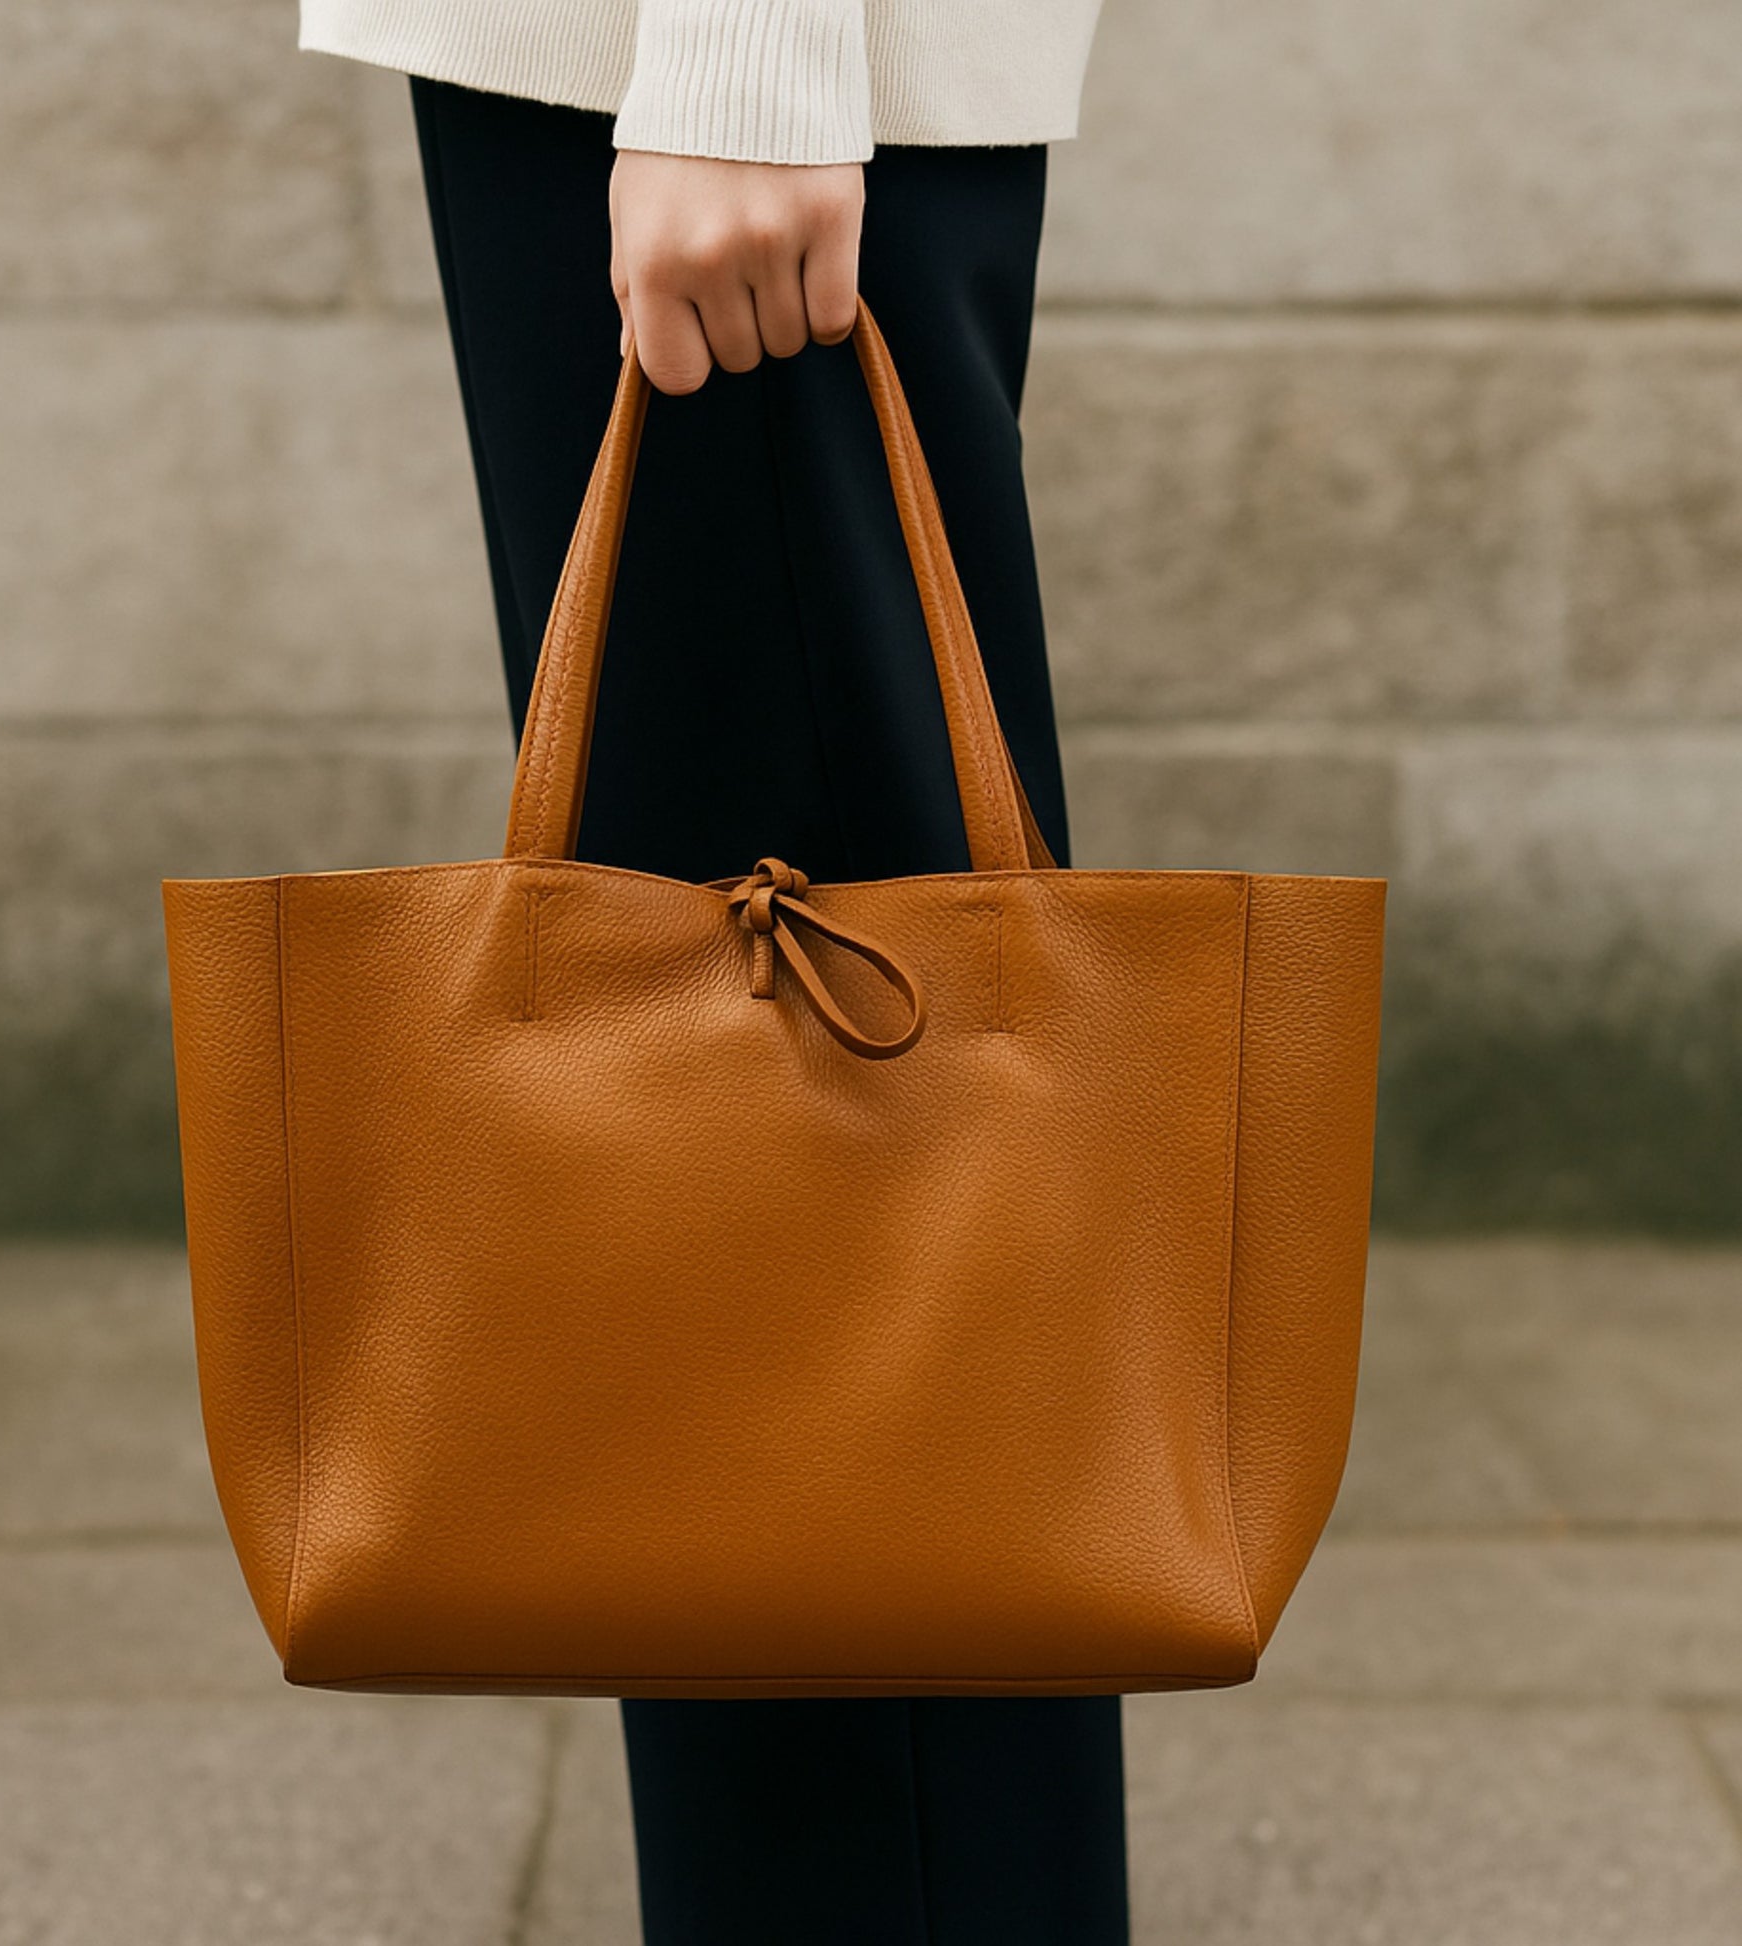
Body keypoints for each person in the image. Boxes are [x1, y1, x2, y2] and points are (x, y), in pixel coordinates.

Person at [300, 2, 1124, 1939]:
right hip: (665, 78)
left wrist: (747, 71)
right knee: (788, 1232)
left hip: (702, 89)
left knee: (811, 1240)